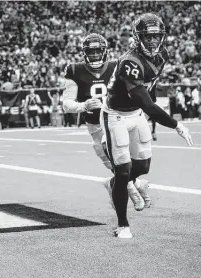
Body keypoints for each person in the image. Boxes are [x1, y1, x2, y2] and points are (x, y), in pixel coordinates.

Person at [102, 13, 192, 239]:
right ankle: (123, 225)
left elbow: (148, 90)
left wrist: (148, 111)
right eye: (147, 36)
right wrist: (176, 125)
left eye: (156, 36)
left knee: (141, 168)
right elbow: (147, 103)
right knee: (124, 172)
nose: (152, 40)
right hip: (117, 115)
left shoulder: (163, 54)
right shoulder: (129, 62)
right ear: (138, 36)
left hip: (137, 112)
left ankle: (114, 184)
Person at [62, 33, 149, 212]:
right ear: (84, 52)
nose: (94, 54)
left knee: (126, 162)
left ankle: (129, 188)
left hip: (118, 119)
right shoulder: (74, 70)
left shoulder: (117, 65)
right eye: (91, 51)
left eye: (97, 51)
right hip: (95, 124)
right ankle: (136, 186)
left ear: (104, 51)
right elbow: (66, 104)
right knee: (112, 161)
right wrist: (83, 105)